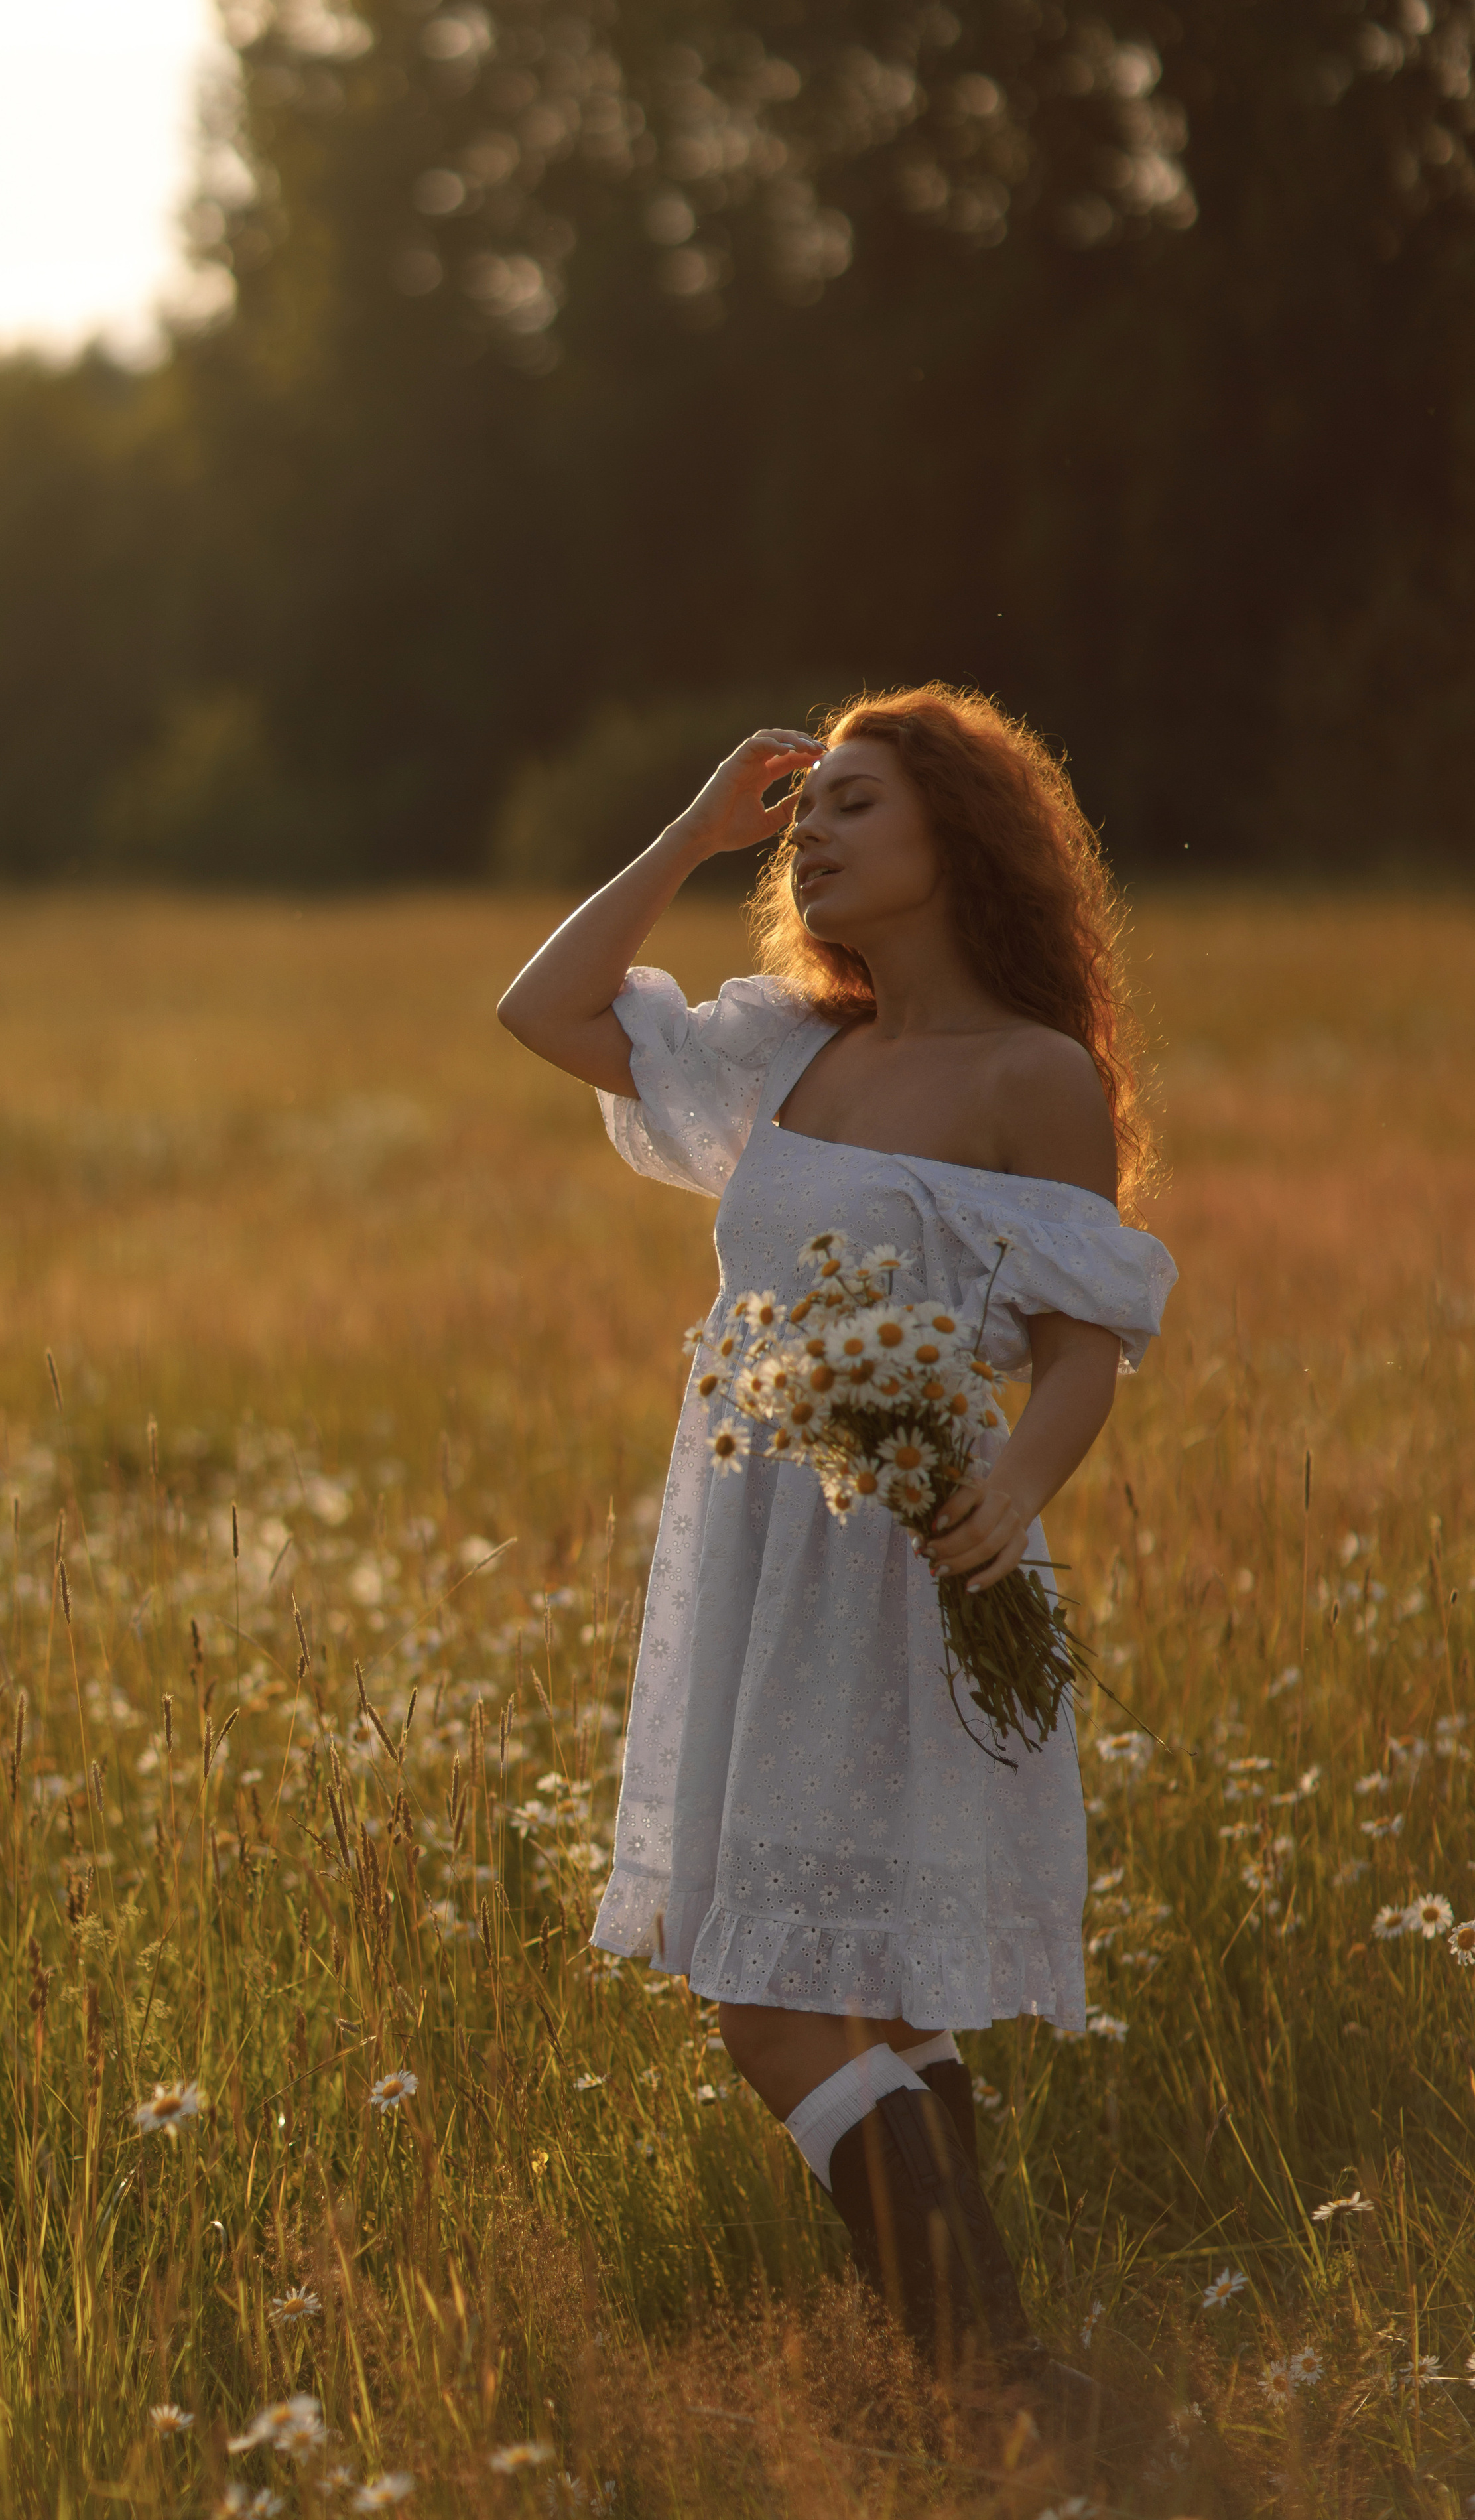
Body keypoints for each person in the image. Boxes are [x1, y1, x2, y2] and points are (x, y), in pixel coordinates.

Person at [497, 685, 1177, 2417]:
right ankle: (1009, 2397)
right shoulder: (792, 1049)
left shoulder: (1034, 1076)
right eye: (808, 812)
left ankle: (986, 2380)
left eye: (856, 802)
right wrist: (690, 833)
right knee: (866, 1991)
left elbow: (1084, 1342)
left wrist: (1015, 1488)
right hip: (757, 1556)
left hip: (915, 1560)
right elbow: (542, 1007)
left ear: (963, 831)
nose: (815, 833)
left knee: (777, 2003)